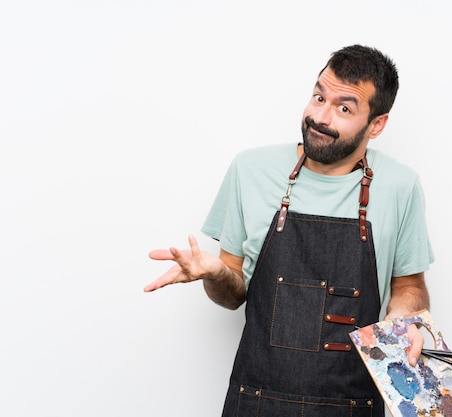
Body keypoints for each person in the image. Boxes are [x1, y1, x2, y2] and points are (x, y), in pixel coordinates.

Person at [144, 44, 434, 417]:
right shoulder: (251, 170)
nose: (320, 117)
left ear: (376, 124)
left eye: (344, 108)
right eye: (318, 97)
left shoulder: (400, 185)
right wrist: (217, 274)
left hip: (353, 404)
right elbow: (232, 295)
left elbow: (409, 288)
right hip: (256, 401)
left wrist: (404, 322)